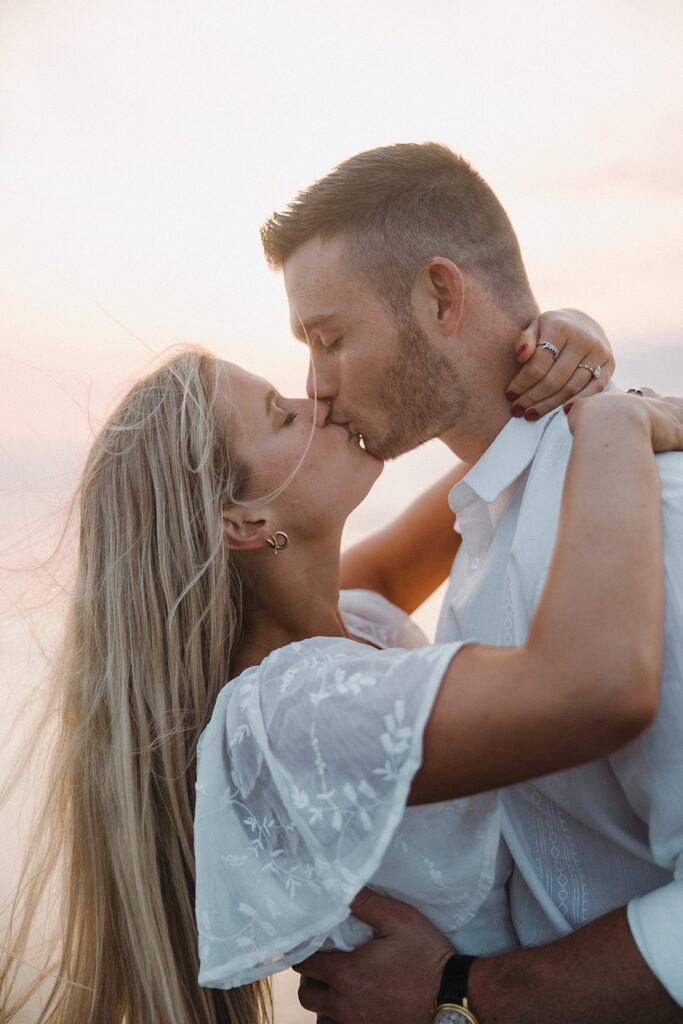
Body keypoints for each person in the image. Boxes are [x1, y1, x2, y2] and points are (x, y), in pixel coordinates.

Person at [0, 344, 679, 1024]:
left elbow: (484, 474)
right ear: (246, 522)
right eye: (280, 416)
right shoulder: (292, 707)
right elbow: (593, 686)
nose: (315, 403)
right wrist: (614, 425)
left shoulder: (340, 622)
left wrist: (555, 352)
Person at [259, 142, 683, 1022]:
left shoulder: (649, 518)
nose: (317, 387)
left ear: (441, 296)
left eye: (330, 339)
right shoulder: (485, 528)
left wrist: (468, 994)